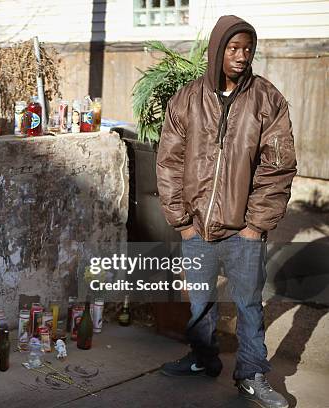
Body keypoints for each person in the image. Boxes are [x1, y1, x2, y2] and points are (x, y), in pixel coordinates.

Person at [156, 15, 297, 408]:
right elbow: (168, 163)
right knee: (201, 301)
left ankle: (252, 375)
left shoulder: (267, 99)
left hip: (244, 231)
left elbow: (279, 166)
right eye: (233, 48)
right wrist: (181, 222)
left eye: (247, 49)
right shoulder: (186, 100)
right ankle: (203, 359)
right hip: (196, 227)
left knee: (249, 306)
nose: (241, 56)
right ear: (217, 51)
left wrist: (256, 225)